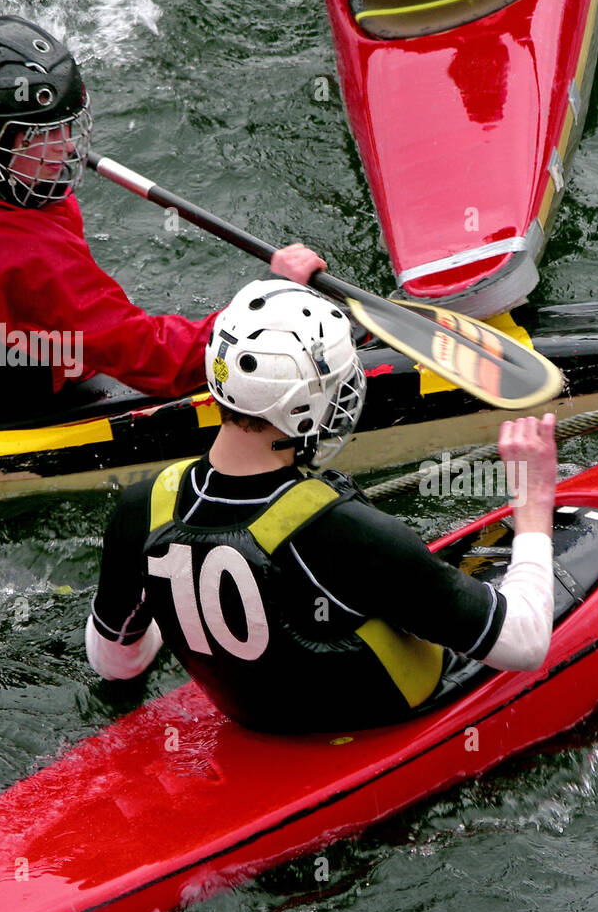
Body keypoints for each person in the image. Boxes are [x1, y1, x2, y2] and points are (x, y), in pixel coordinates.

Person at [86, 277, 559, 731]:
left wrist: (179, 604)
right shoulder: (348, 531)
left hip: (252, 721)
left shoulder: (143, 506)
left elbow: (114, 663)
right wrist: (532, 500)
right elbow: (525, 644)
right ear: (302, 406)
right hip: (390, 720)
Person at [0, 14, 320, 423]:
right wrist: (274, 307)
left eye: (67, 125)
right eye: (40, 135)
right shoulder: (15, 255)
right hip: (22, 412)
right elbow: (156, 359)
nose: (67, 147)